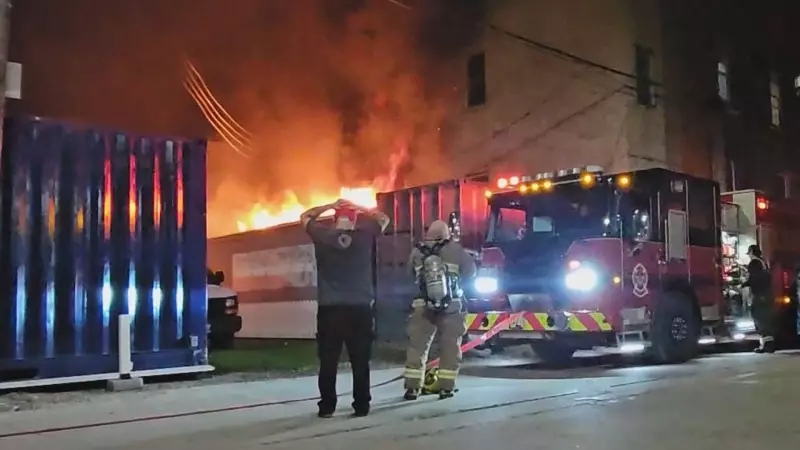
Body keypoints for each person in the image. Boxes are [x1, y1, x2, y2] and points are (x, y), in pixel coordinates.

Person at [301, 199, 390, 418]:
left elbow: (305, 217)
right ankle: (361, 405)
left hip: (330, 309)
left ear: (333, 221)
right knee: (360, 361)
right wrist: (358, 206)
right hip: (360, 308)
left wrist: (329, 204)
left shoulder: (323, 237)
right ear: (354, 220)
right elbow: (383, 219)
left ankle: (327, 407)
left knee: (328, 361)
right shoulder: (364, 237)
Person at [403, 219, 477, 400]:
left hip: (423, 307)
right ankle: (446, 387)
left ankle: (412, 388)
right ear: (446, 235)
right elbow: (471, 272)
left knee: (417, 348)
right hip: (451, 307)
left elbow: (408, 274)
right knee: (450, 347)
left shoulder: (417, 251)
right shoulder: (455, 250)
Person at [742, 244, 774, 353]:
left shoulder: (754, 263)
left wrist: (743, 284)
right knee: (765, 319)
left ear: (751, 252)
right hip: (765, 294)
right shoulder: (762, 262)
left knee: (759, 318)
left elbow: (754, 278)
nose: (749, 256)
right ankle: (767, 344)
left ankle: (766, 345)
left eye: (749, 253)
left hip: (759, 295)